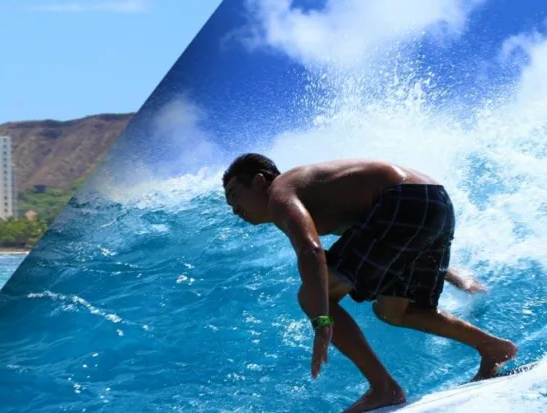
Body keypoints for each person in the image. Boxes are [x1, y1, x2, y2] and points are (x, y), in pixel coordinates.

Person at [222, 153, 518, 413]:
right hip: (433, 201)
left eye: (234, 194)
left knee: (311, 296)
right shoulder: (321, 195)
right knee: (394, 310)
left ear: (260, 181)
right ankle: (493, 348)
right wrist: (449, 273)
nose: (233, 208)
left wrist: (322, 320)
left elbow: (310, 250)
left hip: (405, 200)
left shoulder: (280, 192)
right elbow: (390, 238)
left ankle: (383, 388)